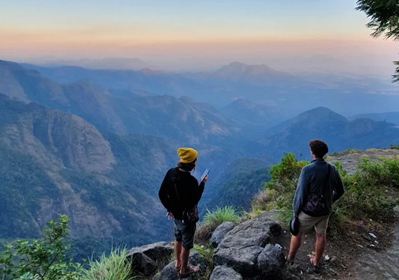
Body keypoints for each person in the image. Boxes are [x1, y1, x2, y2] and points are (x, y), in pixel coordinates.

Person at [287, 140, 344, 267]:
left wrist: (296, 212)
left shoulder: (307, 170)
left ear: (312, 153)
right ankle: (316, 262)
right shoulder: (332, 169)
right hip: (325, 211)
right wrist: (329, 201)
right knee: (320, 235)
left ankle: (290, 259)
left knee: (296, 233)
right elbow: (340, 190)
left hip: (309, 211)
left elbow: (300, 194)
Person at [159, 147, 208, 277]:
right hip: (187, 218)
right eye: (195, 160)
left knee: (177, 238)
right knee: (187, 244)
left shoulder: (170, 173)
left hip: (176, 215)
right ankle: (184, 269)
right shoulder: (192, 182)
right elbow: (193, 201)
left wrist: (169, 208)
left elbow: (162, 193)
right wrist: (202, 184)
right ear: (192, 163)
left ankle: (177, 262)